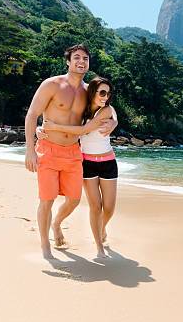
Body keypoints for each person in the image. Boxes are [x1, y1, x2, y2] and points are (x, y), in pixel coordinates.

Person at [24, 44, 117, 260]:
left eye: (85, 58)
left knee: (74, 199)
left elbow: (107, 108)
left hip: (74, 152)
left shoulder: (89, 91)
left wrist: (113, 122)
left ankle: (57, 223)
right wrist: (30, 149)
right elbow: (32, 114)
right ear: (68, 61)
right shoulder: (52, 85)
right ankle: (45, 245)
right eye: (76, 58)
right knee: (47, 199)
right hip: (48, 149)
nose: (81, 61)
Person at [42, 77, 118, 259]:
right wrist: (44, 128)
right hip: (87, 162)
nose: (105, 96)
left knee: (109, 208)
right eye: (102, 92)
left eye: (108, 93)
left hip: (108, 161)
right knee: (96, 207)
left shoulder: (106, 110)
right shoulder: (81, 110)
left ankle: (102, 228)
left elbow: (85, 130)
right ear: (93, 92)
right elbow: (70, 122)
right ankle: (99, 247)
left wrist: (54, 127)